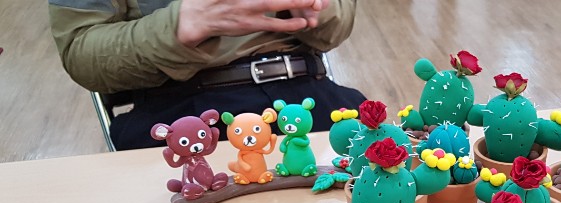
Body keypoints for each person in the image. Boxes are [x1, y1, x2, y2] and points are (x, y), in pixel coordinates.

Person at [48, 0, 366, 150]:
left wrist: (316, 8)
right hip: (179, 107)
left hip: (305, 93)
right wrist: (177, 27)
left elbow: (335, 28)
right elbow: (80, 55)